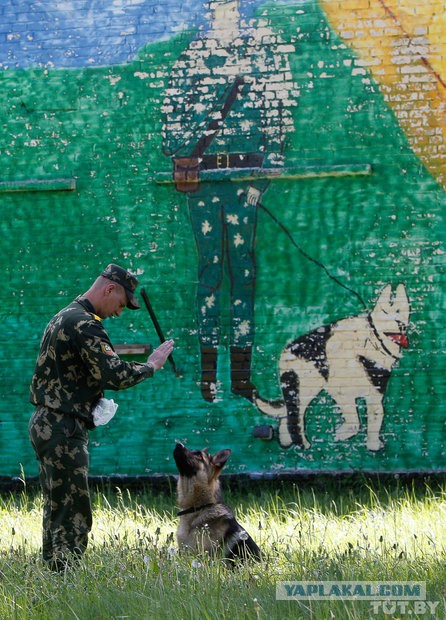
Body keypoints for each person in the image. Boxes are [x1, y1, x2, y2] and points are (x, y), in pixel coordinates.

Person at [162, 0, 297, 402]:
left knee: (244, 275)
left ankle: (240, 378)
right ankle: (208, 378)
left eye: (233, 5)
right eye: (220, 6)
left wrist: (265, 179)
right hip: (202, 180)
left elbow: (279, 115)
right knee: (209, 276)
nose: (227, 11)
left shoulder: (260, 52)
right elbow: (170, 127)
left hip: (245, 179)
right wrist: (197, 122)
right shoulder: (193, 56)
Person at [28, 263, 174, 571]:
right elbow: (115, 374)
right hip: (62, 427)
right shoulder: (85, 323)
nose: (119, 312)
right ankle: (64, 577)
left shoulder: (64, 315)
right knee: (74, 509)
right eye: (121, 304)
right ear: (110, 289)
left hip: (47, 422)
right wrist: (150, 366)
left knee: (57, 505)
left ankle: (54, 572)